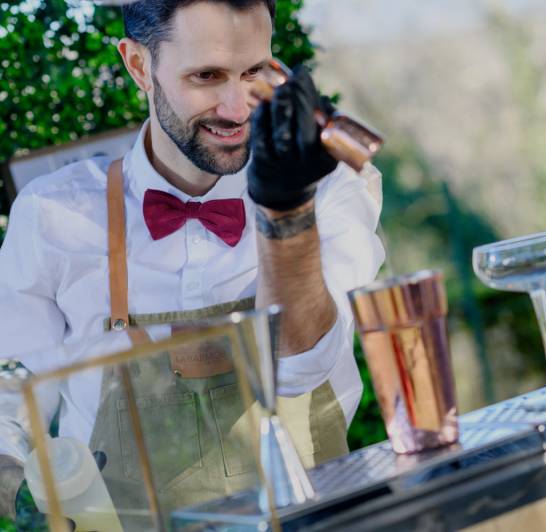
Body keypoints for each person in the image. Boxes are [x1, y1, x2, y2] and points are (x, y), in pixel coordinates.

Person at [0, 0, 384, 522]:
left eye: (254, 72)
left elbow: (299, 369)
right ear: (139, 66)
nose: (235, 108)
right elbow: (13, 396)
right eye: (206, 76)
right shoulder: (52, 214)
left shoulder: (329, 188)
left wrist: (285, 210)